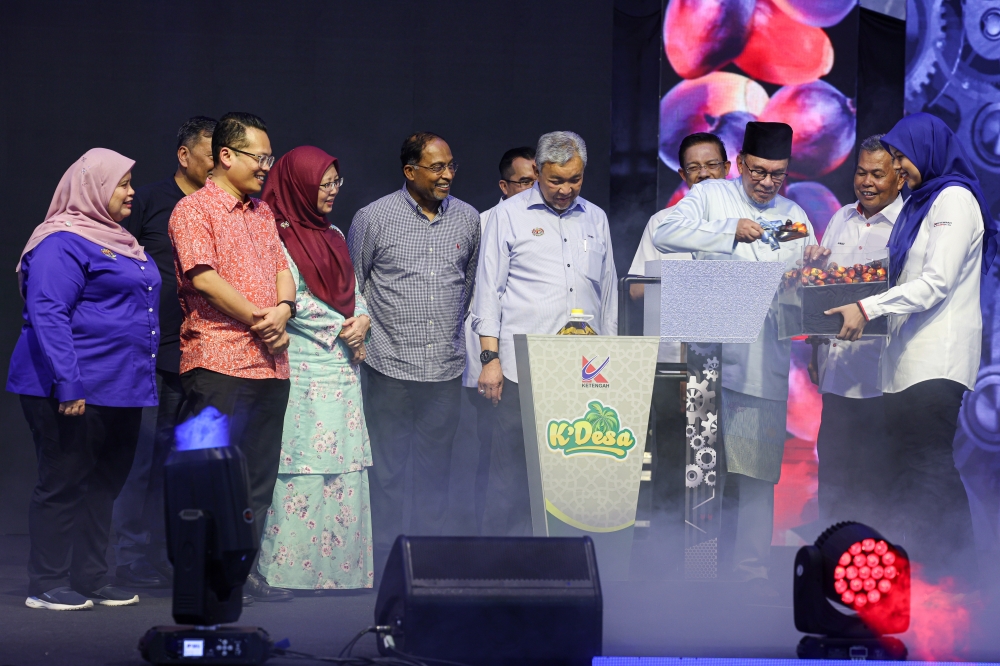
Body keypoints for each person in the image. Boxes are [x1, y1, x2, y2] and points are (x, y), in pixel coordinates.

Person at [826, 113, 996, 587]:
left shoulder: (954, 199)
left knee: (928, 470)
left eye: (900, 158)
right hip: (905, 363)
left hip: (935, 361)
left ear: (926, 150)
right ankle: (932, 576)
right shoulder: (927, 203)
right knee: (912, 472)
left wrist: (865, 306)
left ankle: (958, 580)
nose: (898, 168)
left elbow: (935, 283)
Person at [652, 121, 822, 592]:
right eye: (759, 171)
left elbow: (794, 297)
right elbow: (662, 231)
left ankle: (750, 578)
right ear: (741, 163)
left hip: (762, 364)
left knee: (755, 477)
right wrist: (729, 230)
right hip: (706, 363)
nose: (767, 183)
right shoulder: (712, 198)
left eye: (778, 174)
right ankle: (696, 579)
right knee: (702, 476)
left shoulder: (794, 218)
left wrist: (810, 276)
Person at [9, 148, 157, 610]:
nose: (132, 192)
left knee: (104, 484)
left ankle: (90, 577)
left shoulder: (120, 240)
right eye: (123, 183)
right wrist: (69, 385)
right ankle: (46, 583)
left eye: (131, 182)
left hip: (120, 385)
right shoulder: (61, 241)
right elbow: (48, 312)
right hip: (70, 386)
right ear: (93, 187)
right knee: (64, 481)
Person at [168, 112, 295, 603]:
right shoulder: (194, 210)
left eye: (268, 158)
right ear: (226, 156)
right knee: (205, 478)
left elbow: (284, 268)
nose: (266, 167)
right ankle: (199, 581)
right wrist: (259, 318)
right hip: (216, 364)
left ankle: (239, 578)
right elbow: (202, 277)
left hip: (269, 366)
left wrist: (281, 310)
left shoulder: (263, 213)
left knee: (256, 482)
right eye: (258, 157)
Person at [348, 132, 480, 577]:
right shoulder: (373, 217)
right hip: (388, 365)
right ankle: (383, 564)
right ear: (410, 172)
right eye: (436, 167)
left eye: (450, 166)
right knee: (385, 472)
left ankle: (427, 566)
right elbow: (354, 286)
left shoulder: (467, 218)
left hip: (442, 369)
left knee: (435, 474)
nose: (447, 175)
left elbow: (469, 285)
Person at [474, 131, 618, 536]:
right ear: (537, 171)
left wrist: (612, 360)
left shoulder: (596, 217)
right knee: (509, 477)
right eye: (556, 180)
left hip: (583, 372)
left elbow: (608, 298)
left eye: (575, 179)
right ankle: (500, 570)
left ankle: (566, 560)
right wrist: (491, 360)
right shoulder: (508, 215)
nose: (566, 189)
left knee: (575, 471)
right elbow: (489, 292)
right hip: (522, 369)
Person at [255, 146, 374, 590]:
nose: (331, 192)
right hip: (303, 364)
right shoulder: (274, 232)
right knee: (302, 465)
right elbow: (291, 298)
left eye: (335, 183)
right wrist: (341, 327)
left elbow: (352, 287)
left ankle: (341, 576)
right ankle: (291, 572)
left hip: (343, 367)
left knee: (343, 465)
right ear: (299, 185)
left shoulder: (335, 233)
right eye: (323, 184)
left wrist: (362, 320)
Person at [112, 116, 216, 589]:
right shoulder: (150, 201)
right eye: (213, 154)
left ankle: (161, 552)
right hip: (148, 354)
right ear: (185, 155)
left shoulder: (220, 207)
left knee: (179, 463)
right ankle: (125, 555)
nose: (220, 164)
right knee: (139, 461)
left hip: (199, 354)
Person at [627, 133, 730, 561]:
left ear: (729, 168)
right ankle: (667, 567)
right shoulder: (663, 223)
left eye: (712, 165)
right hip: (672, 367)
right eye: (694, 168)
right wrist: (703, 289)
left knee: (717, 471)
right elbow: (635, 290)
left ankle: (708, 566)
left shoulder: (747, 227)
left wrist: (686, 290)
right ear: (682, 174)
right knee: (672, 463)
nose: (704, 174)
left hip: (729, 370)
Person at [809, 134, 903, 528]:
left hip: (885, 382)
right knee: (833, 481)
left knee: (879, 486)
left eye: (877, 174)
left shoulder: (908, 224)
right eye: (861, 172)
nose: (866, 181)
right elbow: (820, 292)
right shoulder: (841, 218)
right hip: (837, 380)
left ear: (899, 177)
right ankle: (829, 563)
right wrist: (813, 267)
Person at [462, 146, 535, 533]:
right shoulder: (484, 222)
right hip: (495, 362)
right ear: (504, 186)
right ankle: (490, 543)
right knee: (495, 459)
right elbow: (480, 297)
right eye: (524, 180)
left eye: (537, 178)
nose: (533, 187)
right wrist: (489, 361)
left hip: (547, 365)